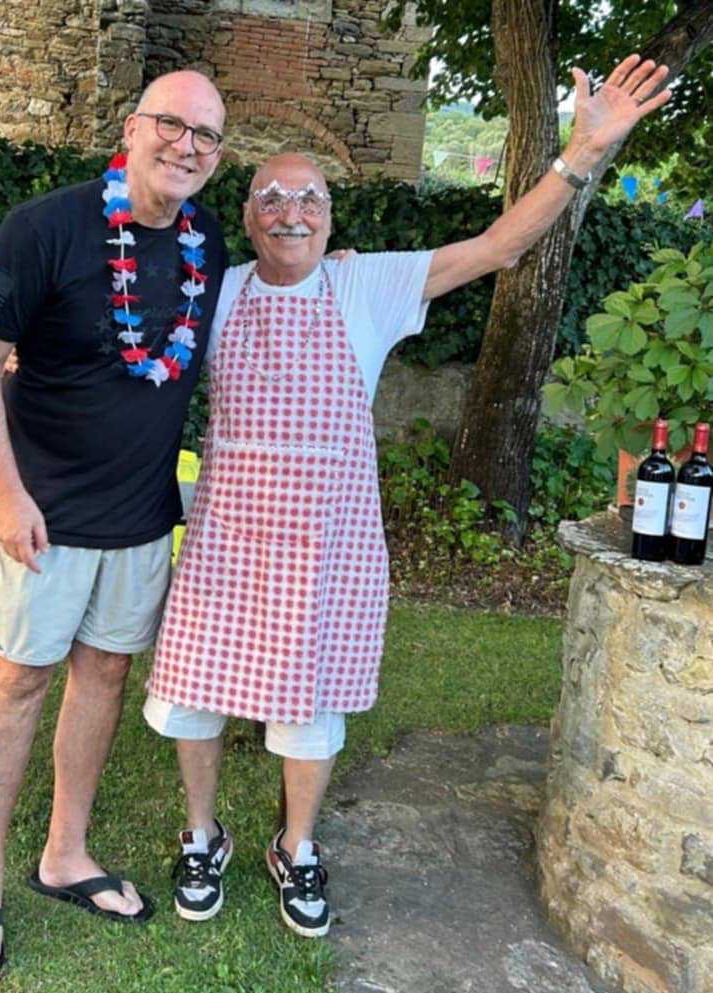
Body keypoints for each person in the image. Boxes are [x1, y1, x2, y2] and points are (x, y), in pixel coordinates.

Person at [142, 55, 671, 938]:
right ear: (243, 218)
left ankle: (296, 847)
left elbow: (498, 247)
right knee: (191, 694)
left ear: (331, 219)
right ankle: (202, 833)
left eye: (309, 198)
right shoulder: (214, 292)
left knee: (307, 711)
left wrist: (583, 149)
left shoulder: (368, 284)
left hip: (324, 545)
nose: (291, 212)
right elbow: (120, 331)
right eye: (271, 197)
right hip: (227, 539)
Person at [0, 70, 228, 975]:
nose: (186, 147)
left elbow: (283, 266)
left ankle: (64, 851)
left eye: (207, 137)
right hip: (43, 510)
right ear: (132, 128)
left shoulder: (206, 240)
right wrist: (10, 491)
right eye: (171, 125)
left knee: (104, 674)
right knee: (19, 680)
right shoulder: (47, 226)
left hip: (141, 512)